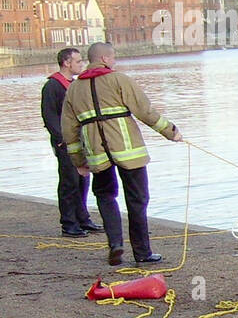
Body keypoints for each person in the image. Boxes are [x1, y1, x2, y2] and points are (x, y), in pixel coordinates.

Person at [61, 42, 183, 266]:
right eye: (113, 57)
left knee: (106, 196)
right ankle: (142, 252)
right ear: (106, 59)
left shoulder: (74, 89)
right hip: (129, 151)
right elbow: (145, 110)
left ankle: (116, 244)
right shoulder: (119, 80)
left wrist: (78, 161)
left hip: (97, 154)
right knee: (137, 199)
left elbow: (69, 130)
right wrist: (170, 131)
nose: (115, 61)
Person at [41, 47, 100, 237]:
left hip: (80, 141)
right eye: (78, 61)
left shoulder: (73, 84)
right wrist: (61, 140)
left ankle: (83, 218)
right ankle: (68, 223)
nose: (81, 64)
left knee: (83, 180)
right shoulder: (52, 86)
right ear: (67, 62)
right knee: (69, 181)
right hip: (65, 142)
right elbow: (49, 116)